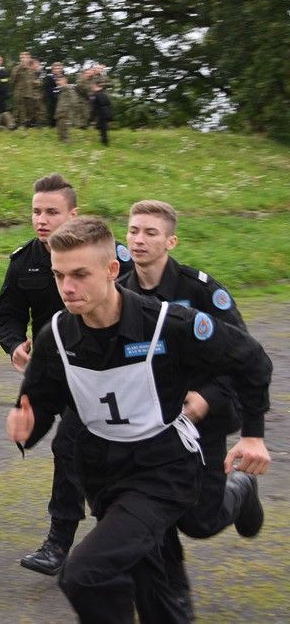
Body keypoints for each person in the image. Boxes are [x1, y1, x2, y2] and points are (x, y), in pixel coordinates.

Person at [7, 216, 271, 623]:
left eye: (80, 274)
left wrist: (252, 434)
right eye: (60, 275)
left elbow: (251, 360)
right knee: (154, 583)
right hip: (101, 472)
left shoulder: (170, 324)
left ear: (113, 270)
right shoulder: (55, 336)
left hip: (161, 471)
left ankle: (238, 491)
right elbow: (42, 399)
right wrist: (28, 425)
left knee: (84, 575)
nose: (68, 288)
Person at [118, 200, 265, 616]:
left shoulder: (199, 290)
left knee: (199, 521)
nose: (139, 239)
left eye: (150, 232)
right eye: (132, 231)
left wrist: (208, 398)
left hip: (204, 418)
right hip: (149, 424)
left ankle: (241, 489)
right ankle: (171, 602)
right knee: (152, 512)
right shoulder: (119, 292)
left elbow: (245, 354)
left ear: (170, 240)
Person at [0, 173, 133, 576]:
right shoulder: (25, 261)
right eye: (36, 211)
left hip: (119, 372)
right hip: (64, 371)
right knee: (69, 447)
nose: (42, 219)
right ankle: (60, 542)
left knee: (116, 454)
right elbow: (8, 315)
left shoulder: (112, 258)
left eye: (52, 212)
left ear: (73, 214)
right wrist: (14, 345)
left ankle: (123, 533)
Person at [10, 52, 36, 127]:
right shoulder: (16, 68)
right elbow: (12, 81)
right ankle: (16, 125)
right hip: (19, 93)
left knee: (28, 111)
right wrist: (19, 68)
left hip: (29, 94)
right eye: (22, 58)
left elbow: (33, 82)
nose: (24, 59)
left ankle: (27, 125)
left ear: (29, 59)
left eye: (26, 57)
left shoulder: (31, 70)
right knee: (18, 110)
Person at [54, 75, 80, 143]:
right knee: (60, 129)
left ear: (64, 80)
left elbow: (74, 100)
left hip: (65, 112)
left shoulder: (69, 88)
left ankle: (67, 143)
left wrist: (71, 109)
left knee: (64, 128)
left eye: (59, 80)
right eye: (57, 80)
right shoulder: (62, 90)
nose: (58, 82)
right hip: (60, 112)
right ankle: (62, 142)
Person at [90, 81, 113, 145]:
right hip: (107, 112)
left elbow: (94, 106)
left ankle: (105, 142)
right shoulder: (104, 94)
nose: (92, 87)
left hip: (101, 113)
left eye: (92, 86)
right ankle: (104, 140)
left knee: (102, 128)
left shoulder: (95, 95)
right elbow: (109, 103)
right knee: (102, 127)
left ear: (95, 86)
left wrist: (91, 117)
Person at [43, 62, 63, 127]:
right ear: (53, 70)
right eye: (56, 68)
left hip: (62, 103)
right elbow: (48, 91)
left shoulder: (63, 79)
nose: (57, 70)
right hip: (52, 103)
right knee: (52, 122)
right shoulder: (49, 78)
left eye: (59, 68)